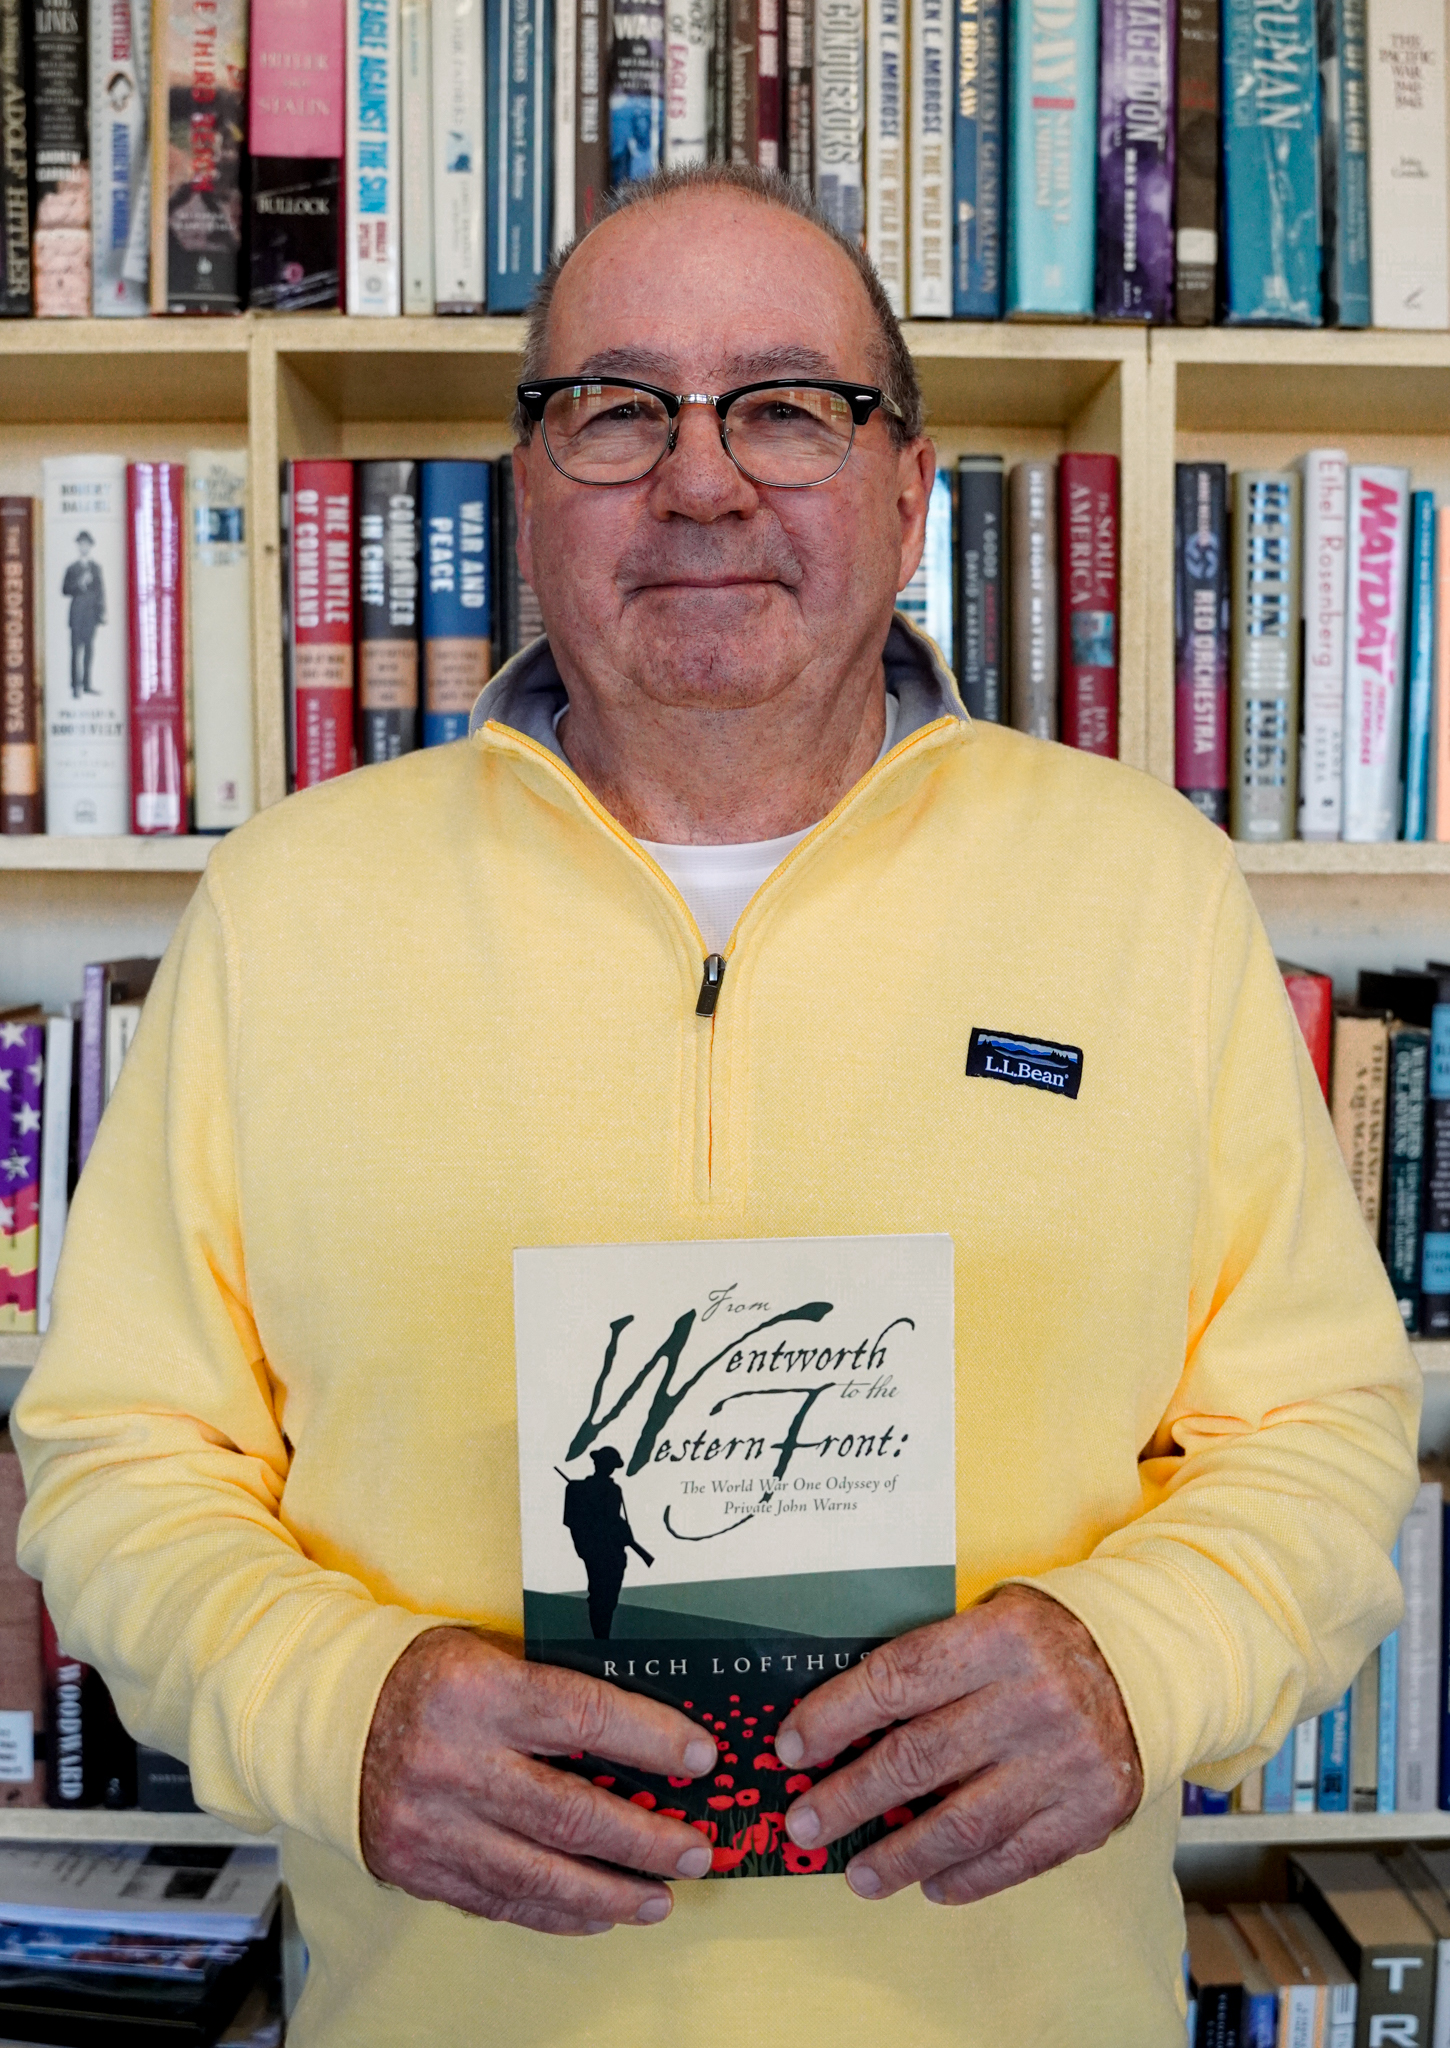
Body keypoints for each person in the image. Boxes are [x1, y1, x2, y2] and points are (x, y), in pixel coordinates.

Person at [13, 165, 1417, 2047]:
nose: (699, 480)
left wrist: (1132, 1664)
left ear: (910, 486)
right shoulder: (289, 904)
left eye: (785, 404)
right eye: (615, 408)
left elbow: (1319, 1430)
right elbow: (121, 1457)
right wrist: (338, 1703)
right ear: (529, 487)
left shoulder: (1142, 885)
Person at [561, 1447, 653, 1640]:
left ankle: (603, 1637)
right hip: (598, 1550)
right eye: (608, 1464)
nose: (609, 1468)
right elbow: (575, 1522)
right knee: (599, 1595)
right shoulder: (579, 1489)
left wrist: (624, 1534)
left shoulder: (612, 1490)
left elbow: (614, 1519)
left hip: (614, 1551)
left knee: (608, 1597)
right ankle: (601, 1639)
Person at [61, 532, 104, 697]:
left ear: (90, 546)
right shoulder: (72, 568)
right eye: (81, 544)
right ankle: (74, 687)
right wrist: (79, 584)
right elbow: (65, 590)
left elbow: (101, 592)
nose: (84, 547)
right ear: (78, 546)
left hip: (90, 616)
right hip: (76, 615)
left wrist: (100, 613)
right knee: (75, 651)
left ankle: (87, 685)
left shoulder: (96, 568)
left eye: (87, 544)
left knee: (89, 651)